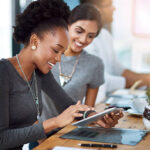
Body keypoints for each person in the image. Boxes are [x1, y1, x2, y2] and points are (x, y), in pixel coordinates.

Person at [0, 0, 123, 149]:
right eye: (56, 50)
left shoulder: (39, 74)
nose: (59, 59)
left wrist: (96, 117)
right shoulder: (3, 73)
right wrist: (56, 122)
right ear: (34, 41)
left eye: (62, 53)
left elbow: (68, 105)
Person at [80, 0, 150, 96]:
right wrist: (142, 81)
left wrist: (145, 78)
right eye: (108, 5)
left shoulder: (105, 35)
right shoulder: (83, 41)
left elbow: (118, 69)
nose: (114, 8)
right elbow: (102, 81)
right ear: (94, 9)